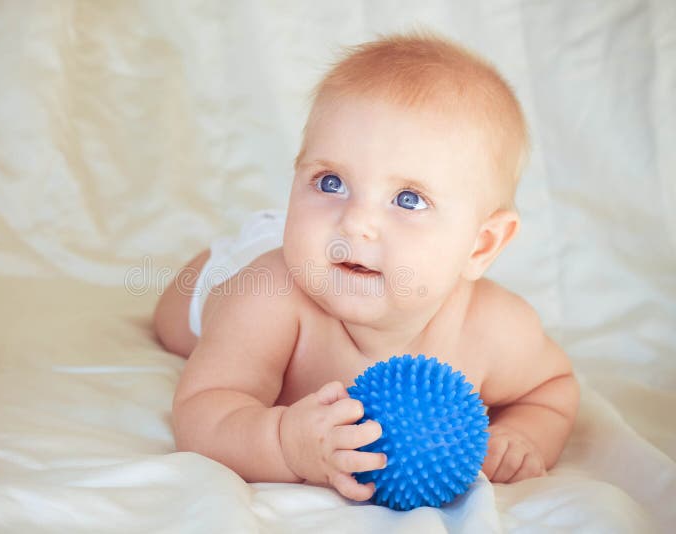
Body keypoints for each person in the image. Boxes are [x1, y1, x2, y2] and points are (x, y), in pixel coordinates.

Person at [154, 30, 580, 503]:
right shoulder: (270, 297)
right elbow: (200, 412)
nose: (356, 223)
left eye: (408, 199)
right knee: (175, 322)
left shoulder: (496, 329)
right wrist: (282, 442)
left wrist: (522, 435)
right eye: (331, 181)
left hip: (322, 251)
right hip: (261, 263)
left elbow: (551, 388)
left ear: (481, 245)